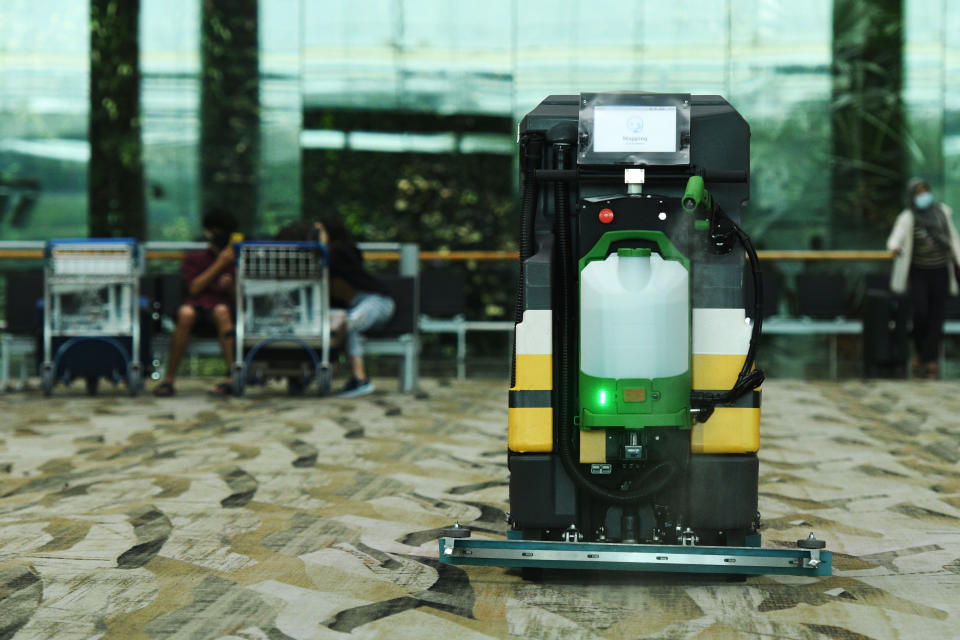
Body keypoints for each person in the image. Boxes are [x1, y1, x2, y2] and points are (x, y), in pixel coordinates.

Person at [277, 219, 395, 396]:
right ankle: (313, 372)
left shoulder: (342, 253)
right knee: (333, 324)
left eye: (319, 231)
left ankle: (359, 379)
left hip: (377, 303)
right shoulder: (318, 262)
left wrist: (321, 245)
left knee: (348, 323)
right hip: (354, 310)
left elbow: (336, 261)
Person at [154, 207, 239, 396]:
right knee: (185, 313)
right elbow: (193, 288)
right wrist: (219, 264)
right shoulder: (194, 257)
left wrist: (231, 287)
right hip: (197, 305)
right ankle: (169, 380)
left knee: (222, 311)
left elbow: (239, 296)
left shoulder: (236, 259)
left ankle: (231, 378)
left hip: (221, 309)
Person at [886, 178, 960, 379]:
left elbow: (953, 238)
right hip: (919, 272)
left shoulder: (942, 212)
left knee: (937, 316)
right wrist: (893, 247)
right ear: (912, 195)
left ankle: (930, 360)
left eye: (926, 191)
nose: (923, 196)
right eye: (919, 192)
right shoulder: (908, 217)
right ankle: (919, 352)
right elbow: (896, 237)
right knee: (921, 312)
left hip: (940, 271)